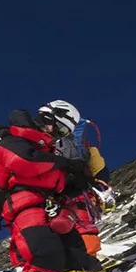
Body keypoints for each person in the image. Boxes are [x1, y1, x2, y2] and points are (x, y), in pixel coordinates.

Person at [0, 102, 118, 272]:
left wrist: (72, 176)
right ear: (49, 118)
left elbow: (51, 175)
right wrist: (63, 165)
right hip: (26, 206)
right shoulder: (11, 140)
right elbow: (24, 163)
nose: (58, 136)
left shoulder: (45, 148)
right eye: (59, 130)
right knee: (41, 258)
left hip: (53, 207)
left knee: (74, 258)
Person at [45, 100, 113, 260]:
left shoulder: (41, 146)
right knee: (84, 227)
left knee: (57, 232)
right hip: (79, 194)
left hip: (53, 197)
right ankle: (89, 263)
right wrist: (101, 186)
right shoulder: (82, 145)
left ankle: (67, 271)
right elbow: (100, 169)